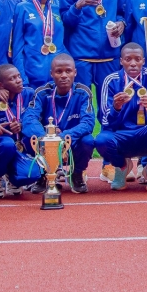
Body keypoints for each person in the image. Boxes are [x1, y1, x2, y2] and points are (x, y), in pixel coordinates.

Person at [59, 0, 127, 110]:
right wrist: (78, 6)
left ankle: (107, 137)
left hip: (109, 55)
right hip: (82, 55)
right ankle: (82, 137)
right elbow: (66, 20)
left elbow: (121, 11)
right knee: (81, 104)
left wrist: (121, 23)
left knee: (109, 104)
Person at [95, 43, 147, 191]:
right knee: (101, 139)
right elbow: (105, 122)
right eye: (128, 59)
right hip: (121, 135)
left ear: (143, 61)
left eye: (137, 59)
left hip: (145, 133)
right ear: (121, 61)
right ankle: (122, 166)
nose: (133, 64)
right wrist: (116, 108)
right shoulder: (111, 80)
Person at [21, 53, 97, 193]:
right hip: (46, 144)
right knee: (28, 138)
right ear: (51, 74)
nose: (63, 75)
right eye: (59, 71)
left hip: (71, 141)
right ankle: (44, 175)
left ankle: (77, 174)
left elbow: (88, 123)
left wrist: (63, 137)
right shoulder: (42, 92)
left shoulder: (83, 92)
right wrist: (47, 138)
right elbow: (29, 119)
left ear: (75, 72)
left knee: (88, 140)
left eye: (68, 71)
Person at [0, 64, 43, 198]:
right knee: (7, 144)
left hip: (21, 144)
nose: (18, 80)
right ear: (1, 84)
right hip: (2, 145)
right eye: (12, 78)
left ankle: (13, 177)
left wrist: (22, 125)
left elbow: (38, 112)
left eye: (19, 76)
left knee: (30, 174)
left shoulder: (28, 94)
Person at [11, 0, 66, 87]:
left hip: (56, 73)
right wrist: (21, 76)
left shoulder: (57, 9)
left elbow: (63, 41)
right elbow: (17, 46)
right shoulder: (22, 8)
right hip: (32, 72)